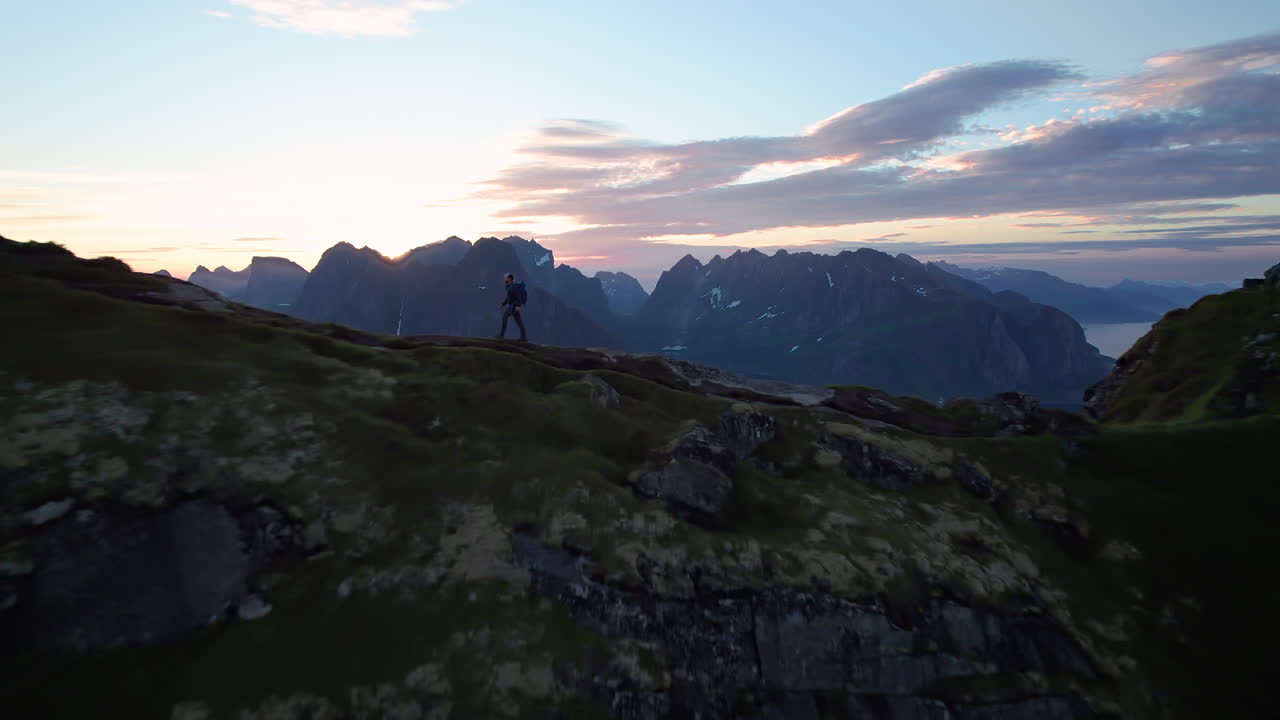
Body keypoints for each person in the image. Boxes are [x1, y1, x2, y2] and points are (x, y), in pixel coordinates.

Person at [496, 272, 528, 341]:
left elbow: (518, 296)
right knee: (519, 321)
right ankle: (524, 337)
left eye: (505, 278)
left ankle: (501, 335)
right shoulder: (509, 286)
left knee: (505, 317)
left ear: (509, 279)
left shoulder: (513, 286)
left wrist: (518, 306)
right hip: (513, 306)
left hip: (514, 306)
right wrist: (502, 304)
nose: (504, 279)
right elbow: (508, 298)